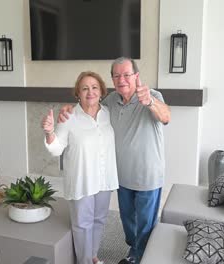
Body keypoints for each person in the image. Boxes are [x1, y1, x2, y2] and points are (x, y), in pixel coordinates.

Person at [58, 57, 171, 264]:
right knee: (128, 223)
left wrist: (151, 102)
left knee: (145, 224)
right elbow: (88, 106)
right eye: (117, 75)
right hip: (120, 177)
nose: (122, 79)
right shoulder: (110, 101)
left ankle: (138, 257)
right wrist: (69, 110)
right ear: (112, 79)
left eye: (127, 74)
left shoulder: (151, 96)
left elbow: (166, 117)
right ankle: (134, 249)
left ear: (136, 76)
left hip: (147, 176)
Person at [41, 71, 119, 264]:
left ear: (101, 91)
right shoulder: (69, 117)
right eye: (84, 88)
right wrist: (50, 132)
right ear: (78, 93)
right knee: (83, 224)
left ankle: (92, 256)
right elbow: (56, 148)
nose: (90, 92)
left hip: (104, 178)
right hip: (82, 179)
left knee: (99, 220)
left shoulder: (108, 113)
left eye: (94, 87)